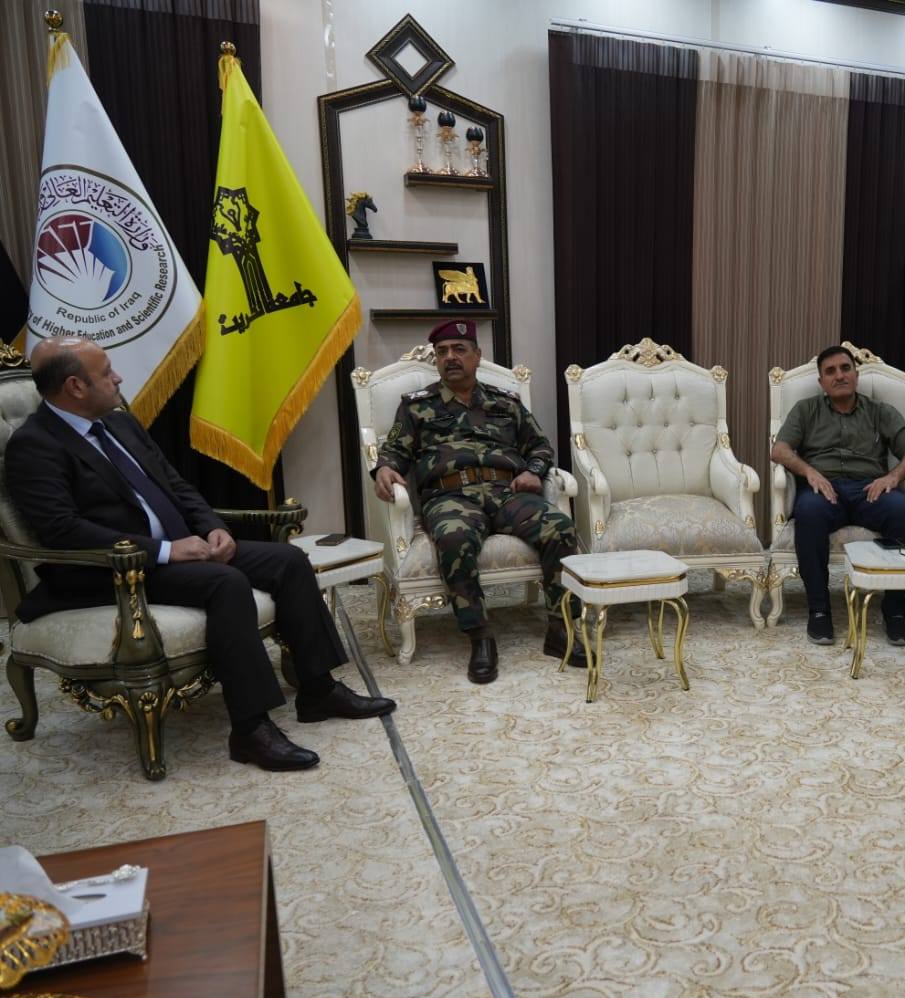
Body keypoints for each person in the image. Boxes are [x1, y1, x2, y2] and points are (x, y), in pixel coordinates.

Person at [5, 335, 393, 772]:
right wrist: (166, 551)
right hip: (114, 570)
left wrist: (213, 528)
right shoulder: (34, 445)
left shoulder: (118, 423)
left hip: (180, 547)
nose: (118, 378)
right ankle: (250, 729)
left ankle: (318, 690)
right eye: (106, 372)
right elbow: (63, 530)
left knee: (288, 561)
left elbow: (175, 484)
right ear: (75, 387)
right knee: (226, 583)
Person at [374, 319, 581, 683]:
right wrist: (384, 468)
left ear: (477, 356)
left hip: (507, 492)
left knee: (560, 528)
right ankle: (480, 636)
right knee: (454, 539)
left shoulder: (506, 402)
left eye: (459, 349)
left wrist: (534, 471)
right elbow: (393, 451)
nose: (450, 357)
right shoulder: (417, 407)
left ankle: (560, 627)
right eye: (442, 352)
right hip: (450, 496)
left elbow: (539, 445)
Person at [771, 345, 905, 645]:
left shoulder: (880, 411)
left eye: (845, 368)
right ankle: (819, 611)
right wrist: (808, 471)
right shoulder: (806, 409)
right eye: (830, 372)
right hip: (824, 489)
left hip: (870, 489)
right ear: (821, 382)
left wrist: (893, 477)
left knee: (904, 513)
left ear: (856, 374)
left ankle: (895, 611)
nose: (839, 376)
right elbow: (779, 450)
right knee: (809, 513)